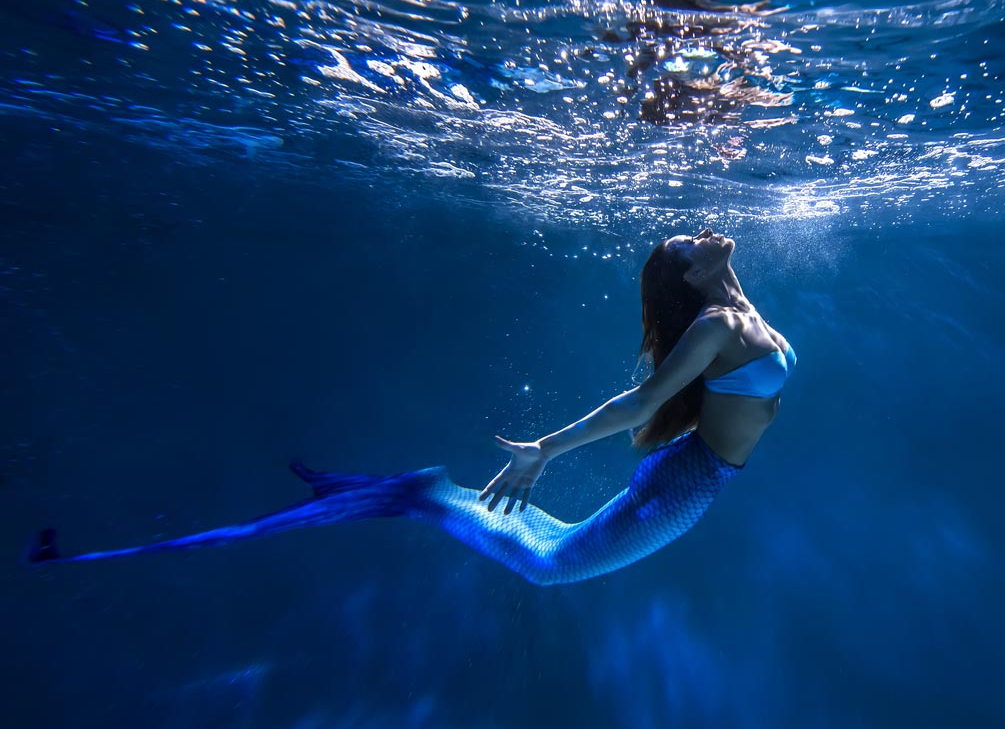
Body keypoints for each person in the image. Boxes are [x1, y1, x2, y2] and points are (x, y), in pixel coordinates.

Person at [26, 229, 796, 585]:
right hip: (688, 484)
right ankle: (427, 496)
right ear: (690, 281)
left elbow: (700, 365)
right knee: (551, 568)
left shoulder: (736, 305)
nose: (697, 237)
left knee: (553, 544)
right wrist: (545, 450)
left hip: (694, 469)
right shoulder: (719, 324)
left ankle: (436, 495)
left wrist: (712, 260)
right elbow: (641, 402)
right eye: (683, 246)